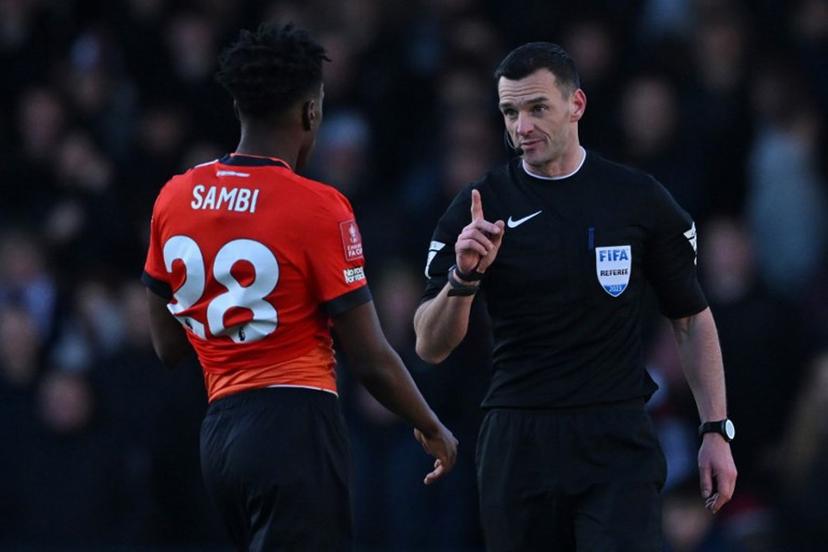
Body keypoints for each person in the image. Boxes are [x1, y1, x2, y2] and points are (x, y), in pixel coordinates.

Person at [141, 24, 457, 551]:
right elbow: (371, 358)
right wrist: (431, 425)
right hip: (295, 427)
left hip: (219, 436)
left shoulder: (175, 196)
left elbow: (166, 345)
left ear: (239, 105)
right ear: (310, 113)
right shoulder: (317, 206)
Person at [414, 42, 737, 551]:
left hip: (616, 434)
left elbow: (691, 319)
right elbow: (429, 346)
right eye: (510, 112)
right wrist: (463, 279)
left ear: (576, 106)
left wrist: (715, 429)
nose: (522, 127)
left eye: (537, 108)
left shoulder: (636, 198)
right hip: (519, 439)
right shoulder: (480, 206)